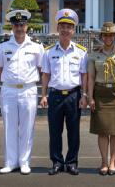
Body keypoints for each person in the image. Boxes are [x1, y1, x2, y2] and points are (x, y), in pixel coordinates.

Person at [0, 9, 44, 175]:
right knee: (9, 126)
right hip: (8, 90)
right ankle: (10, 162)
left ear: (27, 26)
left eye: (22, 24)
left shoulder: (36, 47)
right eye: (16, 25)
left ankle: (24, 162)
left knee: (27, 128)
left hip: (28, 89)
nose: (19, 28)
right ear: (12, 27)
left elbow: (42, 69)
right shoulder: (3, 47)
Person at [40, 9, 89, 176]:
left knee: (73, 131)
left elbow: (84, 76)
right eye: (62, 26)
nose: (65, 30)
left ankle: (72, 162)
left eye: (69, 27)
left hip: (74, 96)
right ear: (58, 28)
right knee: (55, 131)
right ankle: (56, 162)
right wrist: (44, 95)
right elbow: (46, 75)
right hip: (55, 95)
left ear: (74, 30)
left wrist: (84, 95)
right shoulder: (49, 52)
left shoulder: (81, 52)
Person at [86, 22, 115, 176]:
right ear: (102, 36)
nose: (108, 37)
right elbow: (91, 78)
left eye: (111, 35)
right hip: (100, 94)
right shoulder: (94, 55)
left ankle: (113, 161)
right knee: (102, 131)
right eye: (105, 35)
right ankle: (104, 162)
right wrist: (90, 97)